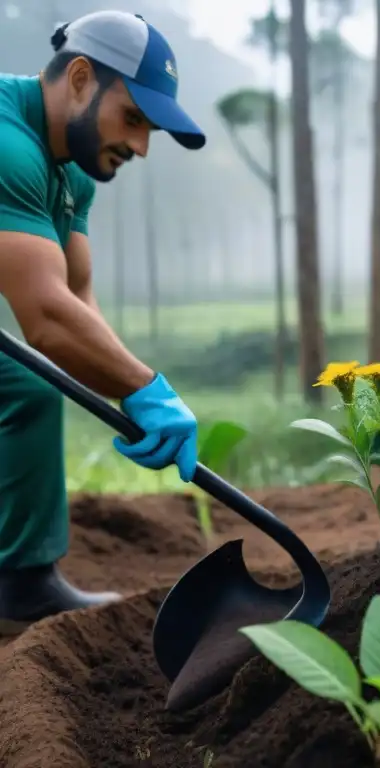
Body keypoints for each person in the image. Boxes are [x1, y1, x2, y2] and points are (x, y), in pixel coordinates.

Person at [0, 11, 206, 635]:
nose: (142, 147)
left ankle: (23, 585)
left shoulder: (70, 176)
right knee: (32, 370)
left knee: (30, 379)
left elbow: (74, 296)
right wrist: (145, 388)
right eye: (135, 119)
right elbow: (45, 319)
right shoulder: (9, 143)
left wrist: (128, 385)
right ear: (82, 78)